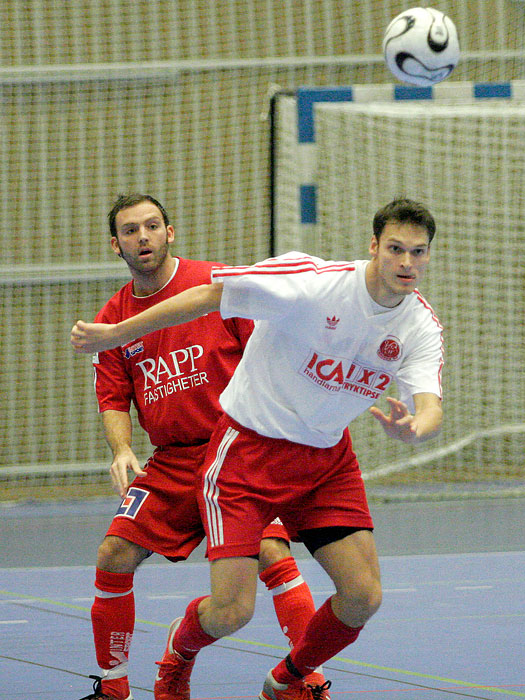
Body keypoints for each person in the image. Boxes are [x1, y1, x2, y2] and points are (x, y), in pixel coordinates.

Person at [72, 198, 444, 700]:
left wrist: (415, 429)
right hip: (246, 452)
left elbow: (429, 404)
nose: (406, 263)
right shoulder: (312, 282)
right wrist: (116, 336)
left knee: (363, 597)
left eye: (417, 253)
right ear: (374, 246)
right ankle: (174, 657)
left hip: (325, 460)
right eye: (396, 249)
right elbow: (210, 296)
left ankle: (287, 680)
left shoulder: (420, 325)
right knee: (231, 611)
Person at [76, 194, 328, 700]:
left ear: (170, 233)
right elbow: (113, 397)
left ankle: (304, 681)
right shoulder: (115, 317)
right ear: (115, 245)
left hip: (236, 448)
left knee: (271, 549)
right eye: (130, 231)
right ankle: (114, 685)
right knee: (114, 553)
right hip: (171, 461)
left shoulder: (220, 286)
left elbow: (270, 348)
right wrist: (121, 449)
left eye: (151, 226)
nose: (142, 237)